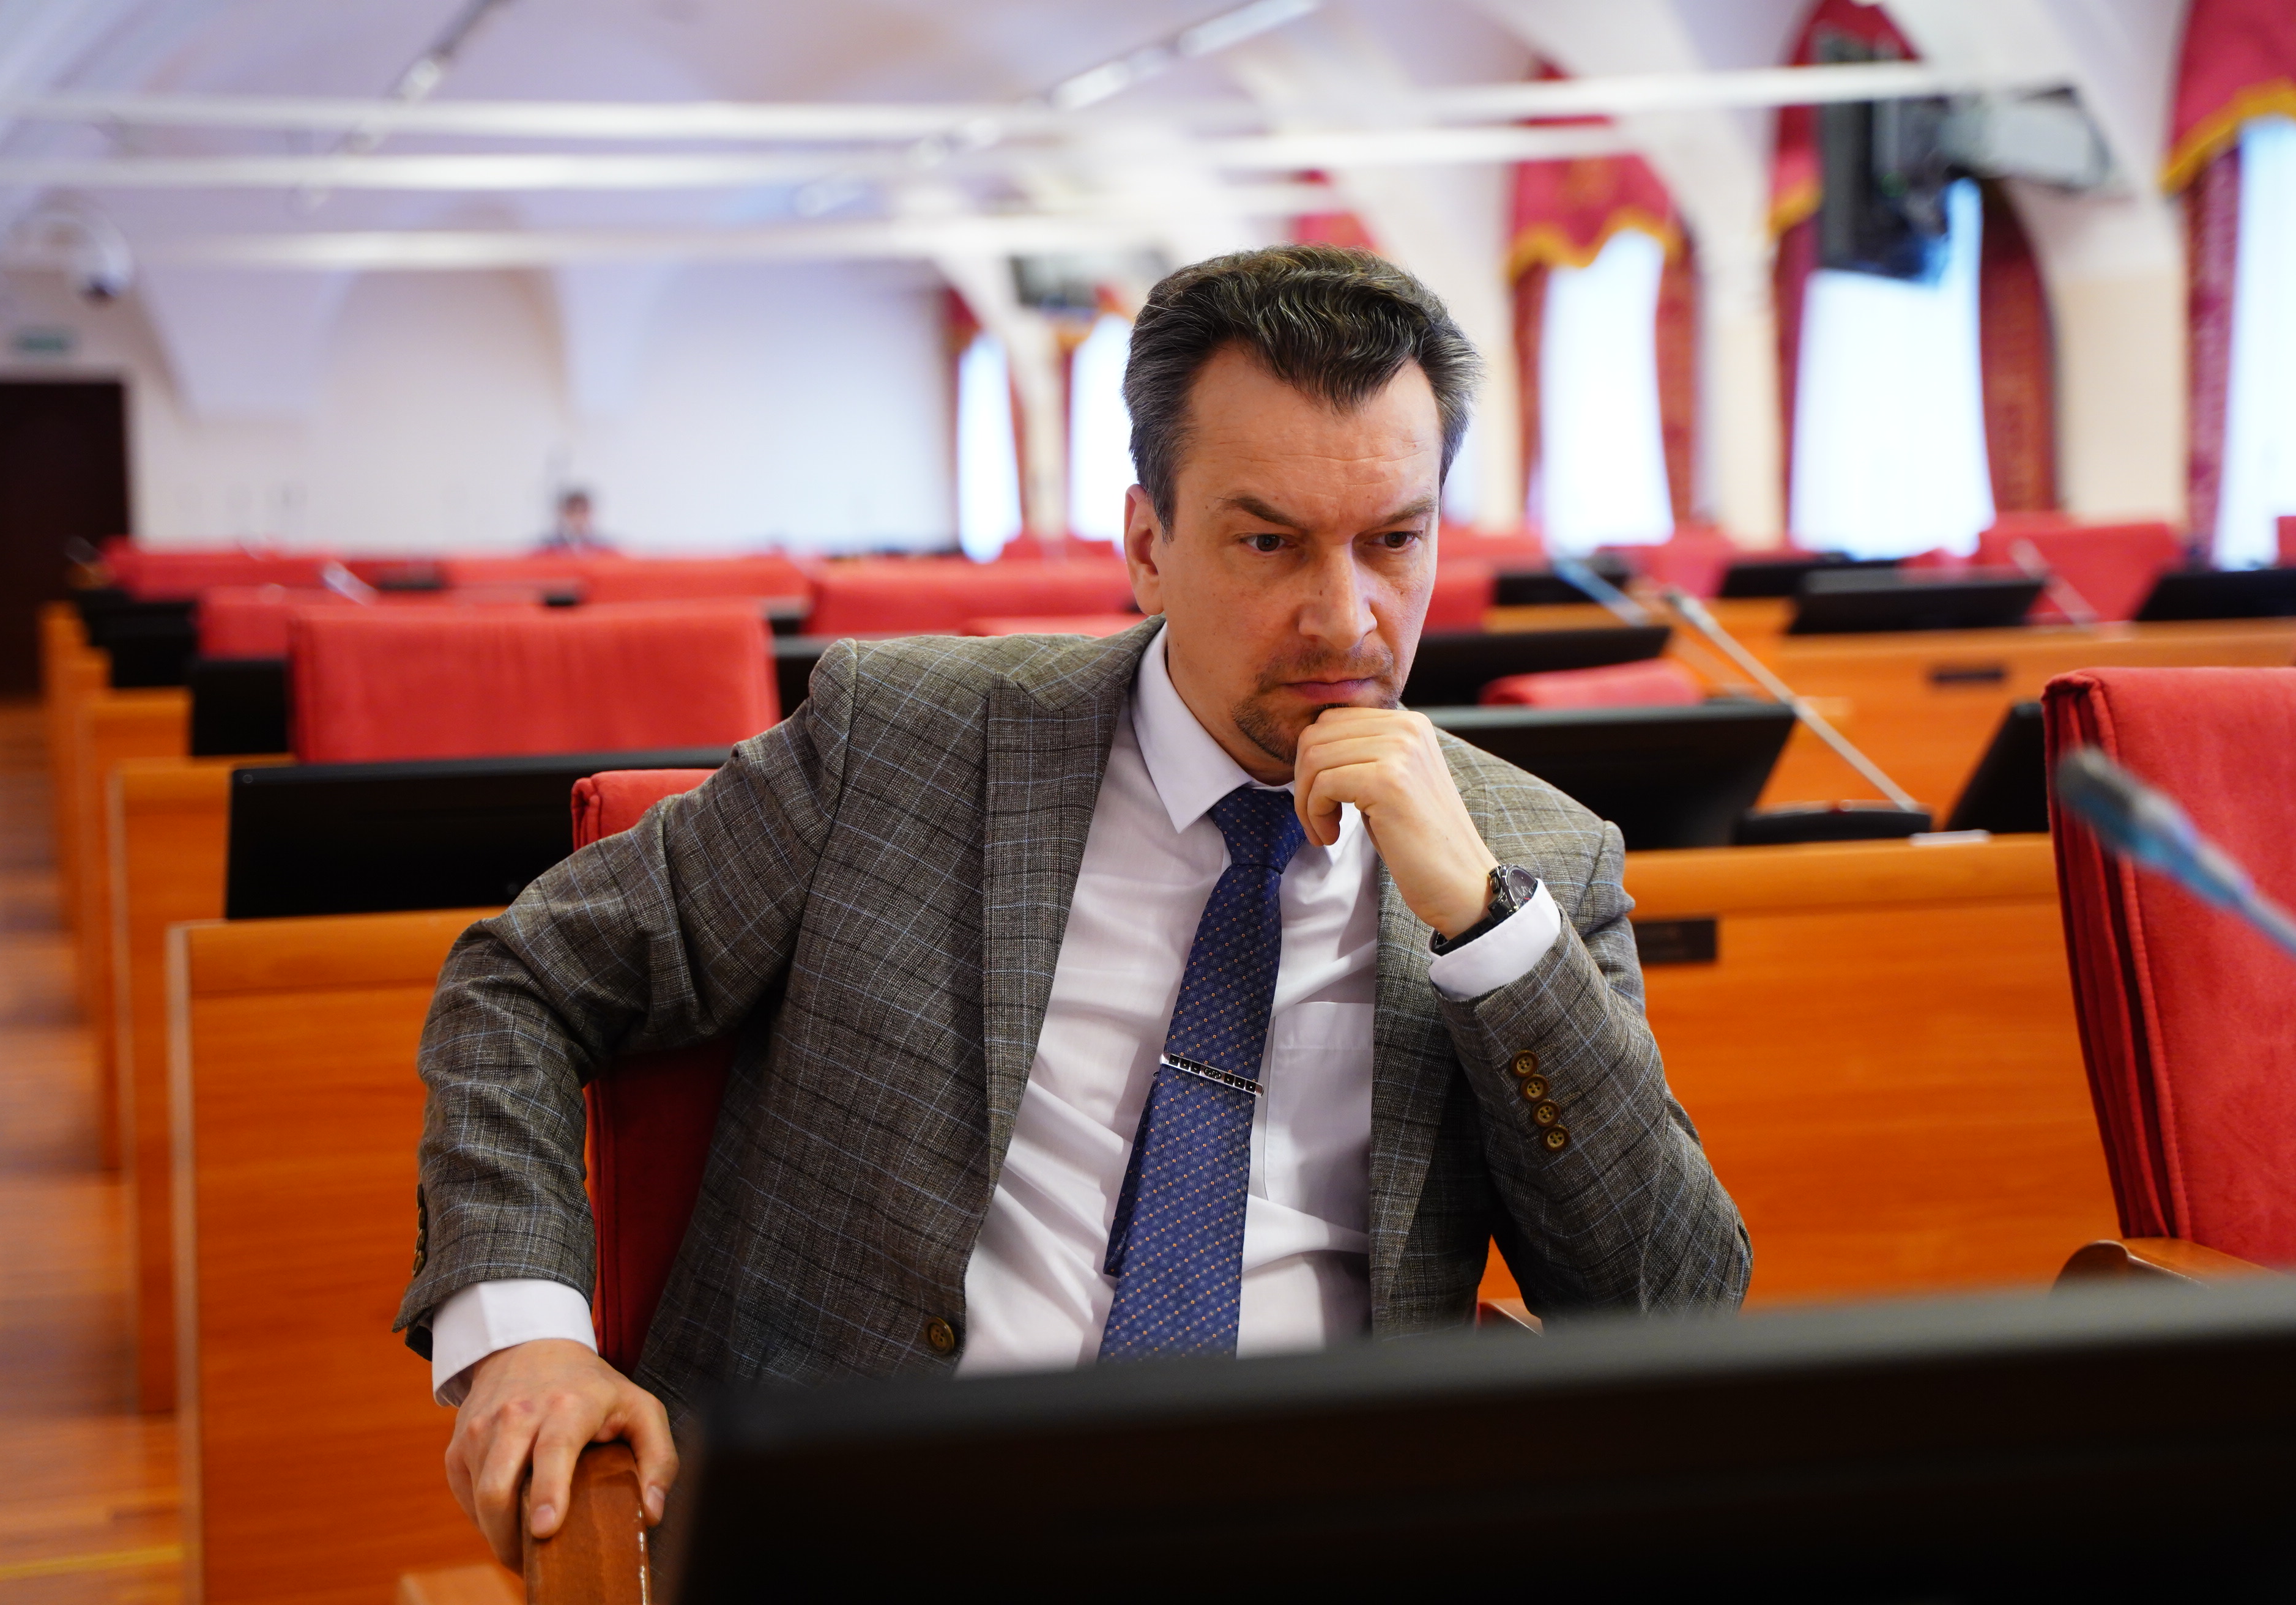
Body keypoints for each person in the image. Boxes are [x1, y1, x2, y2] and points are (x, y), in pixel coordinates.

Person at [396, 243, 1750, 1566]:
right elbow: (526, 982)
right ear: (1149, 545)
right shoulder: (902, 741)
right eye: (1269, 542)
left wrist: (1488, 929)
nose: (1345, 618)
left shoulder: (1536, 859)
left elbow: (1670, 1310)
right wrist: (527, 1335)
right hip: (871, 1518)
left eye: (1394, 541)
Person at [535, 487, 614, 553]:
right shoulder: (546, 546)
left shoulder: (604, 546)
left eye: (583, 512)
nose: (578, 517)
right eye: (573, 511)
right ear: (563, 513)